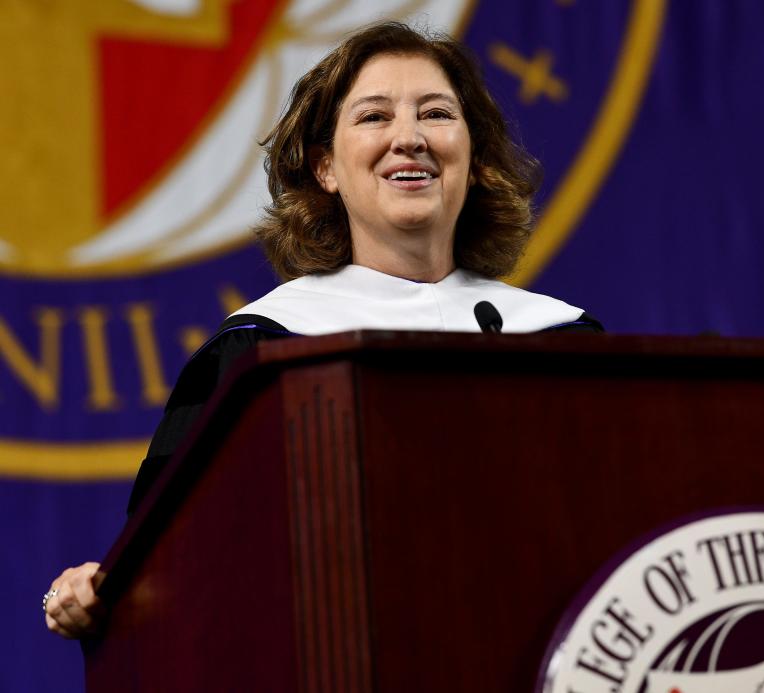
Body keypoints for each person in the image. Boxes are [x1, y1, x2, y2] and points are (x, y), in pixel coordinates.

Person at [43, 20, 602, 640]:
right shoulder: (263, 351)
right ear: (327, 169)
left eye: (437, 114)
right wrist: (98, 587)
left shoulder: (561, 341)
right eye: (374, 117)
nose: (409, 138)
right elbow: (170, 559)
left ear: (472, 162)